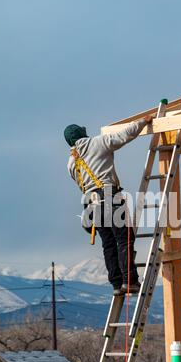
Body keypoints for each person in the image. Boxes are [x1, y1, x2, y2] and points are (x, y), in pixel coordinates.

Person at [64, 115, 153, 296]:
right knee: (124, 239)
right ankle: (130, 281)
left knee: (109, 244)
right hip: (109, 197)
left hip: (91, 205)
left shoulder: (71, 163)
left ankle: (116, 284)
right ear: (83, 134)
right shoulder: (97, 143)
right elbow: (125, 135)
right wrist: (144, 121)